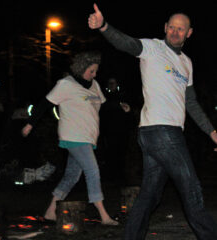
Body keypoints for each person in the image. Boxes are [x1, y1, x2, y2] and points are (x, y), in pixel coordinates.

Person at [88, 4, 217, 239]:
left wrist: (212, 131)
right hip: (161, 131)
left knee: (150, 195)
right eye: (172, 27)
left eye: (181, 29)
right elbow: (127, 43)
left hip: (155, 135)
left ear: (189, 33)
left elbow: (192, 103)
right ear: (165, 28)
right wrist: (104, 27)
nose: (176, 32)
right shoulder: (153, 48)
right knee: (191, 189)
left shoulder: (187, 63)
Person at [21, 51, 118, 225]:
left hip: (88, 137)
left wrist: (120, 106)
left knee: (72, 176)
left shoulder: (94, 85)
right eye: (91, 71)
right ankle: (103, 215)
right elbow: (44, 104)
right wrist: (30, 124)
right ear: (82, 68)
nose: (94, 74)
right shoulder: (66, 84)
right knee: (92, 170)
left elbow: (104, 105)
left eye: (96, 71)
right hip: (73, 135)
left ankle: (51, 211)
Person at [100, 77, 132, 184]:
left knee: (121, 153)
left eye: (113, 83)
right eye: (110, 83)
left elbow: (129, 110)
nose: (111, 85)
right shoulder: (104, 95)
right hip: (108, 131)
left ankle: (120, 176)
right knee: (110, 153)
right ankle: (110, 176)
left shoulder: (123, 94)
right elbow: (103, 108)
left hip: (122, 130)